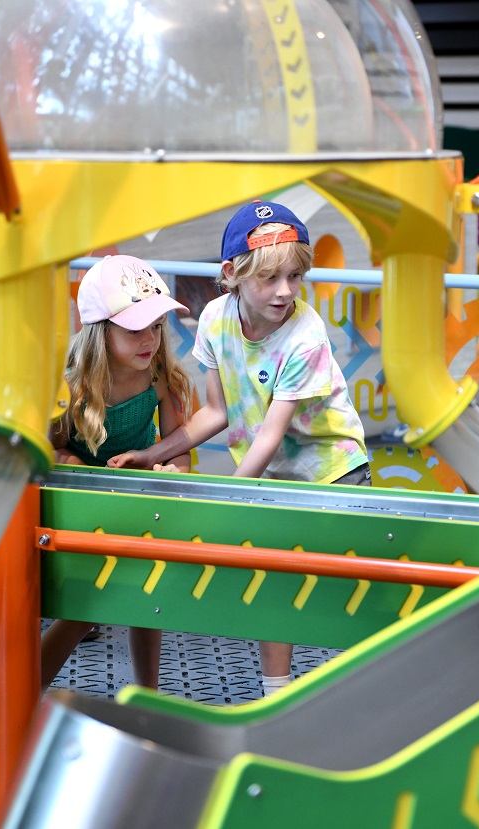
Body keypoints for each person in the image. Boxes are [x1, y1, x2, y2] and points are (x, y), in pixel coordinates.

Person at [109, 201, 370, 696]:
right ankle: (276, 694)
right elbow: (216, 412)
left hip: (332, 471)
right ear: (231, 274)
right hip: (268, 474)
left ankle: (354, 696)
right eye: (270, 279)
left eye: (295, 276)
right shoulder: (215, 319)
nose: (285, 291)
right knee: (271, 580)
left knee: (342, 595)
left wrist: (230, 492)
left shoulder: (306, 335)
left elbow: (270, 434)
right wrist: (156, 453)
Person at [42, 254, 192, 690]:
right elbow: (51, 449)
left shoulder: (164, 377)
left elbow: (179, 445)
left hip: (139, 499)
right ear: (100, 334)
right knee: (85, 607)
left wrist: (173, 470)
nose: (150, 339)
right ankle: (23, 696)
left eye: (157, 326)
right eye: (135, 329)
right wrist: (68, 462)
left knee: (146, 596)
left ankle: (148, 692)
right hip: (83, 505)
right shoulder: (71, 384)